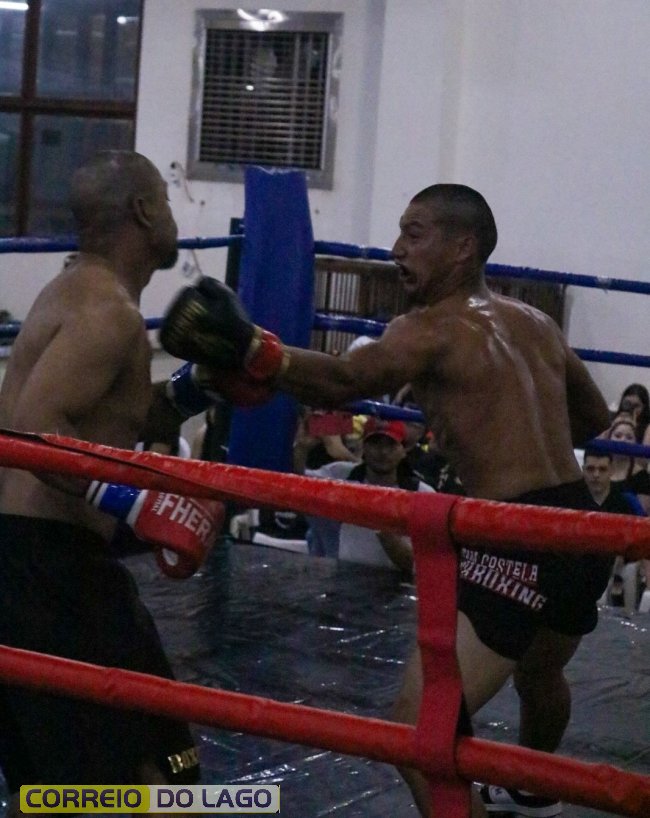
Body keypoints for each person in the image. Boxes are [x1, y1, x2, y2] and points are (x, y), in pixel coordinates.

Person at [160, 183, 612, 817]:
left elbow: (343, 381)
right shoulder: (537, 323)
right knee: (541, 674)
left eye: (415, 233)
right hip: (581, 529)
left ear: (464, 247)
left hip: (515, 540)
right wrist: (501, 431)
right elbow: (594, 420)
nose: (397, 248)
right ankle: (536, 794)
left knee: (416, 732)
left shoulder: (428, 329)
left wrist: (255, 349)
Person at [0, 151, 224, 816]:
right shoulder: (109, 310)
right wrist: (135, 500)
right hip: (48, 569)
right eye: (167, 199)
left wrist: (192, 389)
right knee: (156, 771)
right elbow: (37, 427)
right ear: (145, 211)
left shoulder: (80, 292)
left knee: (77, 781)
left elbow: (111, 414)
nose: (174, 214)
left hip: (35, 561)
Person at [300, 417, 434, 571]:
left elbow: (425, 565)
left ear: (404, 450)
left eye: (391, 445)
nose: (383, 452)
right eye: (375, 444)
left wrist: (385, 531)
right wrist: (301, 448)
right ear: (363, 446)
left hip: (395, 581)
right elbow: (295, 483)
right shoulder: (341, 475)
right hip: (345, 576)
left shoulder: (422, 494)